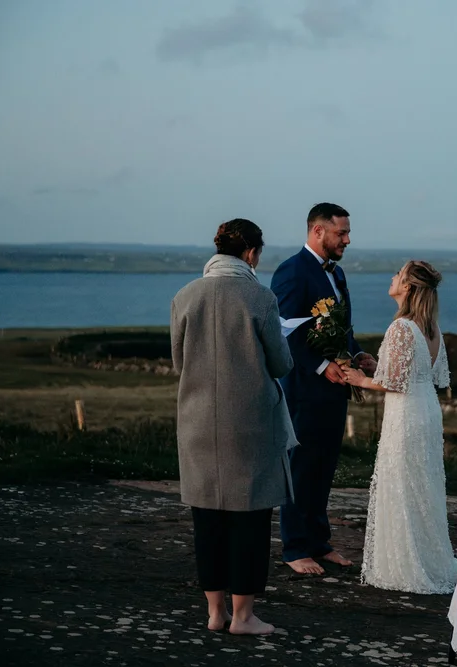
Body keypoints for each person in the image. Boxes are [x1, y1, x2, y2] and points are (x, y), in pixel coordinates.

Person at [170, 218, 295, 635]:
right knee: (249, 520)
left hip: (197, 423)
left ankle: (214, 613)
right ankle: (243, 617)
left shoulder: (184, 297)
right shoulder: (259, 297)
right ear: (252, 254)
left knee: (207, 519)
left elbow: (179, 363)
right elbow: (280, 363)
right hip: (250, 426)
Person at [343, 260, 457, 593]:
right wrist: (379, 366)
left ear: (408, 287)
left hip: (406, 415)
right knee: (420, 485)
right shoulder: (431, 328)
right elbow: (423, 376)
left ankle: (405, 566)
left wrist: (361, 379)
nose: (392, 277)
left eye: (397, 274)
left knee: (402, 483)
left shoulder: (401, 327)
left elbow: (394, 383)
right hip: (426, 410)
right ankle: (428, 556)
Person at [272, 203, 376, 575]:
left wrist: (357, 353)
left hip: (336, 389)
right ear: (318, 232)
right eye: (341, 233)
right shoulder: (291, 271)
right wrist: (320, 366)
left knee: (324, 467)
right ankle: (294, 547)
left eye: (347, 233)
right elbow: (283, 332)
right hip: (303, 388)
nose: (347, 240)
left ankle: (319, 541)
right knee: (300, 468)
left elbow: (341, 326)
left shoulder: (338, 273)